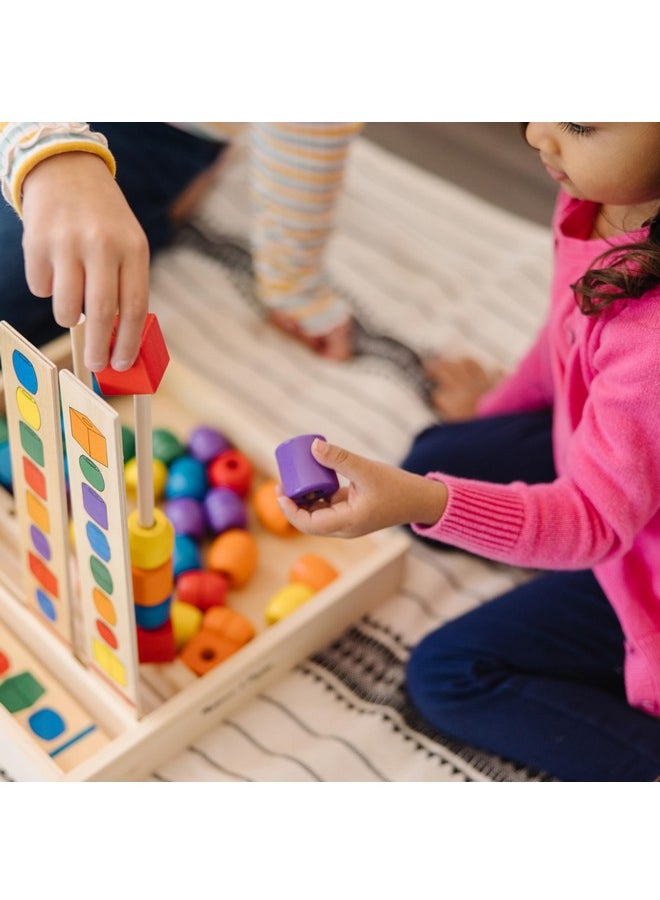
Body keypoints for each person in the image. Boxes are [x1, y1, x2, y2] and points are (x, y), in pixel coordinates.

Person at [277, 123, 660, 782]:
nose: (540, 132)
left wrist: (426, 504)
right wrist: (493, 414)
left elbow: (594, 524)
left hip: (637, 558)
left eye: (581, 120)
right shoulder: (600, 198)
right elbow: (566, 332)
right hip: (613, 461)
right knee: (435, 454)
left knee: (449, 675)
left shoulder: (650, 337)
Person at [0, 122, 360, 371]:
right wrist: (40, 143)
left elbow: (309, 134)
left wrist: (294, 289)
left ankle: (168, 197)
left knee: (38, 283)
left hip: (155, 132)